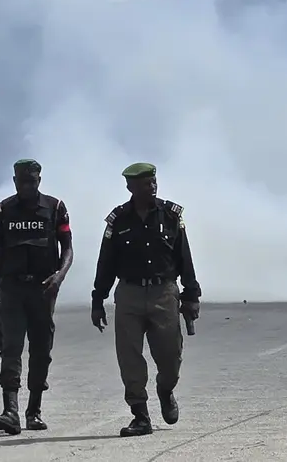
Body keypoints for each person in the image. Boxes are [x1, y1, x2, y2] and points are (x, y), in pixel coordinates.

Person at [91, 162, 203, 437]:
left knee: (170, 358)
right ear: (130, 187)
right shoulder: (118, 221)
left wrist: (191, 295)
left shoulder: (170, 216)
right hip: (129, 295)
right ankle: (140, 415)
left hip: (164, 293)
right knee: (129, 357)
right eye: (144, 184)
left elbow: (184, 257)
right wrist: (98, 299)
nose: (151, 187)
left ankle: (165, 391)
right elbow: (106, 262)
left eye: (153, 182)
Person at [0, 159, 74, 435]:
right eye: (23, 181)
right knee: (10, 348)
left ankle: (33, 411)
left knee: (41, 351)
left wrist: (59, 277)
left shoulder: (55, 207)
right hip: (11, 289)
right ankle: (10, 411)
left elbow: (68, 249)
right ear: (14, 181)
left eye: (33, 180)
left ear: (39, 179)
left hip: (42, 290)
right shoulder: (3, 210)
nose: (28, 185)